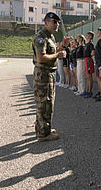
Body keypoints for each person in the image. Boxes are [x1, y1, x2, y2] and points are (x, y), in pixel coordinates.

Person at [32, 12, 68, 142]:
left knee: (47, 103)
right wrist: (58, 55)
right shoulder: (41, 37)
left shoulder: (50, 36)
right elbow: (41, 57)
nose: (57, 24)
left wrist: (63, 46)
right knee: (44, 104)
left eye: (58, 22)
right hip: (43, 74)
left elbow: (53, 51)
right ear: (46, 22)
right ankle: (43, 134)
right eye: (54, 22)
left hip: (49, 74)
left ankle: (44, 129)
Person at [82, 31, 95, 98]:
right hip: (85, 60)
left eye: (87, 35)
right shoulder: (86, 44)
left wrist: (89, 56)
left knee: (89, 77)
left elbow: (93, 52)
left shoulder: (90, 44)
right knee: (87, 77)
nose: (86, 36)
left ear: (90, 36)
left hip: (88, 60)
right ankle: (87, 90)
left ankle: (90, 91)